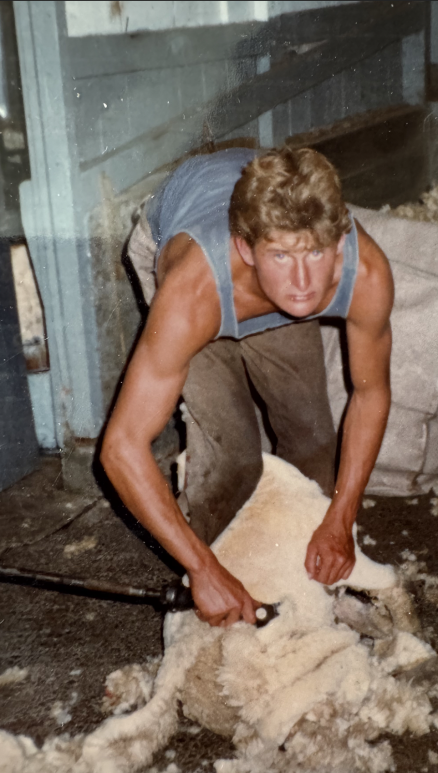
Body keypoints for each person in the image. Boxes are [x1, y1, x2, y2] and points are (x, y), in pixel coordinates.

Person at [100, 146, 393, 628]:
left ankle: (302, 586)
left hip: (256, 281)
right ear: (246, 249)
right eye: (281, 255)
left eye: (315, 252)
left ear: (339, 243)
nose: (302, 281)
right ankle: (215, 592)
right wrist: (201, 568)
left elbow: (371, 393)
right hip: (205, 269)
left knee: (315, 442)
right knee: (233, 461)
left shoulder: (362, 273)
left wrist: (341, 519)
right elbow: (120, 448)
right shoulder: (191, 294)